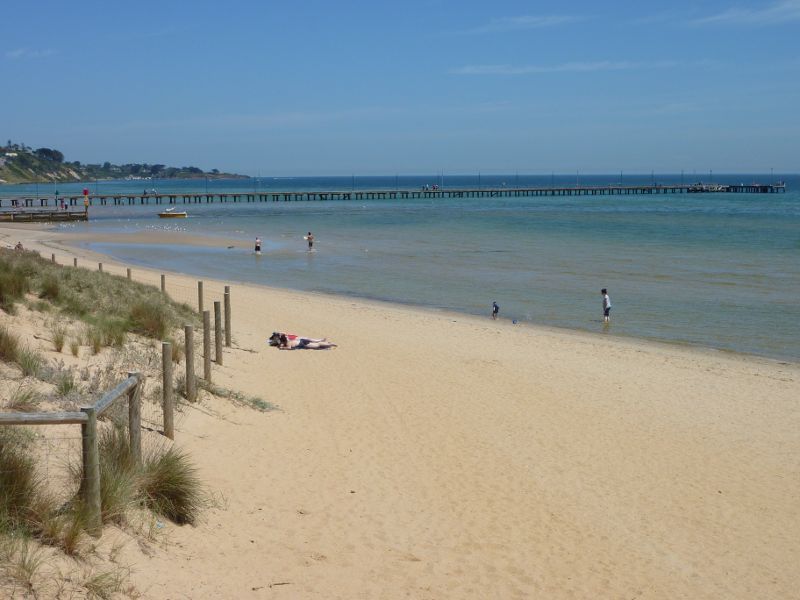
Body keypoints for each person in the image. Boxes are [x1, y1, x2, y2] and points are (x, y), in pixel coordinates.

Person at [268, 331, 337, 350]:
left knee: (317, 345)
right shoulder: (287, 339)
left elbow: (289, 348)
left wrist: (282, 348)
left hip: (301, 343)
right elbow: (283, 334)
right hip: (300, 341)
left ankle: (329, 344)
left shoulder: (287, 342)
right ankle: (323, 341)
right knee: (313, 342)